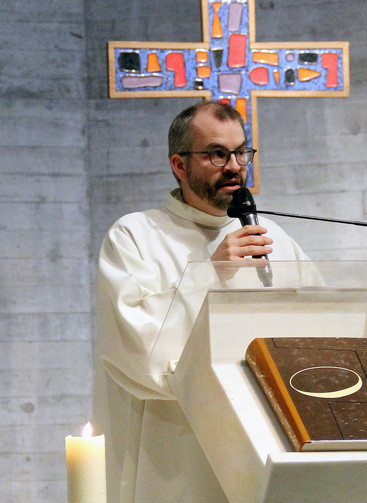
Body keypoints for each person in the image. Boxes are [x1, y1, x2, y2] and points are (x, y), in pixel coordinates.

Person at [93, 101, 308, 503]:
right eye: (216, 154)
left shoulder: (272, 237)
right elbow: (138, 354)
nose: (234, 166)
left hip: (267, 451)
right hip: (176, 461)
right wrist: (210, 274)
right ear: (179, 164)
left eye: (241, 152)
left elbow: (322, 335)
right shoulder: (135, 236)